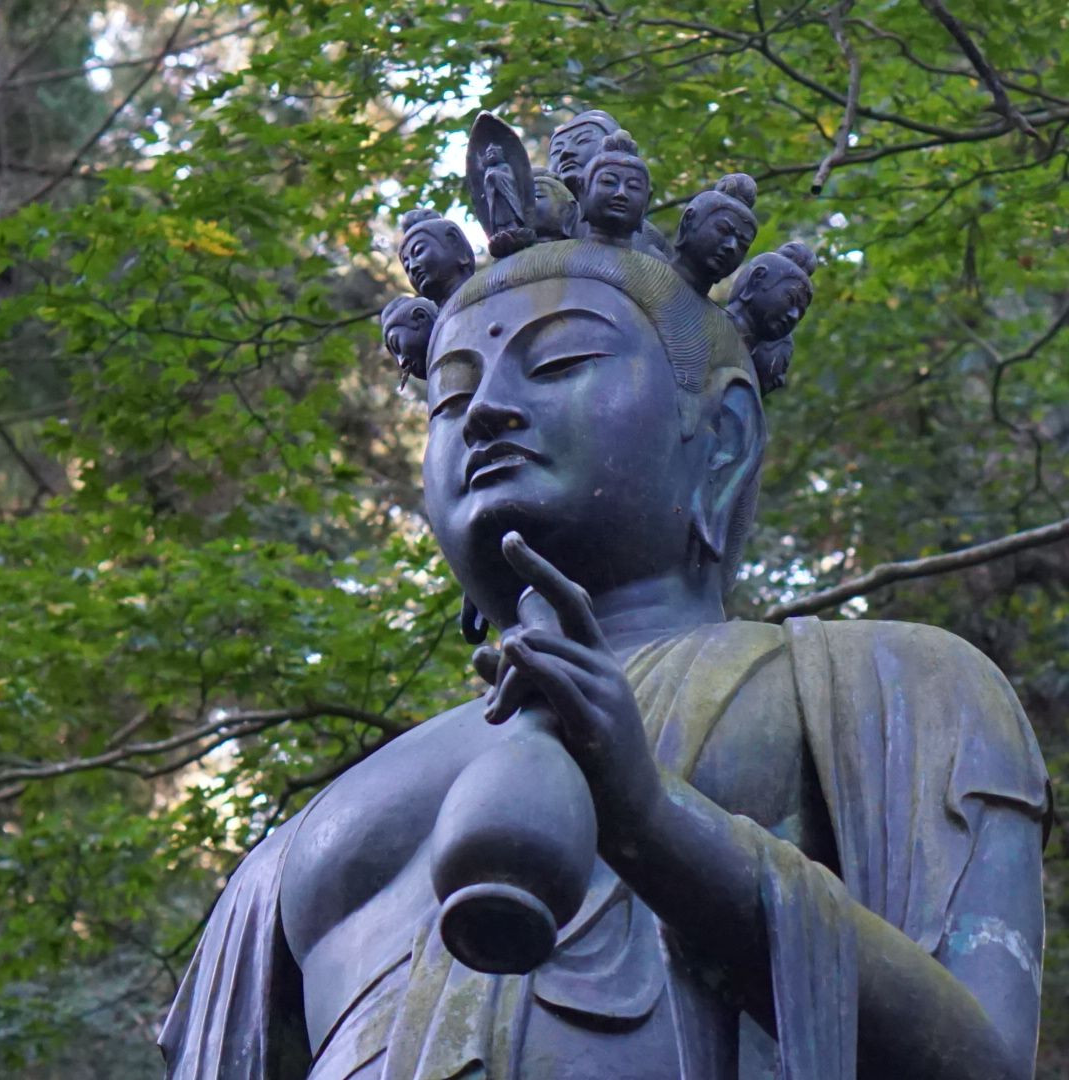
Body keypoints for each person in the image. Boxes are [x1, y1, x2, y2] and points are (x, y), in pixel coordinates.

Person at [160, 239, 1048, 1079]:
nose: (487, 410)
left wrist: (652, 822)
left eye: (560, 363)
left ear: (725, 436)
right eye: (450, 399)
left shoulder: (887, 683)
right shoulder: (300, 843)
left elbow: (981, 1057)